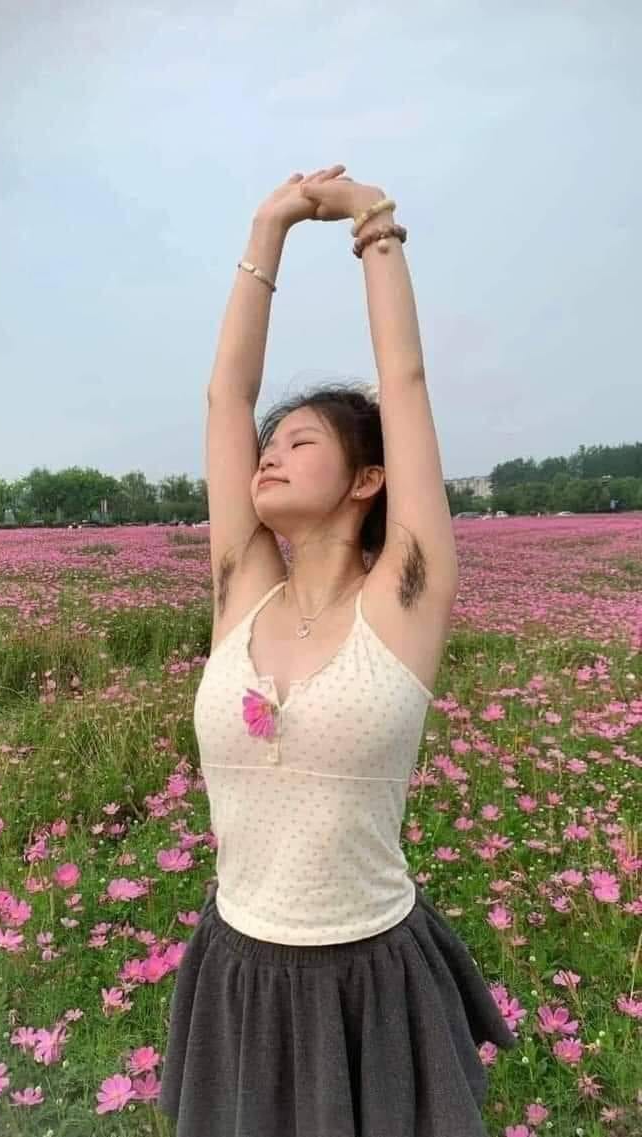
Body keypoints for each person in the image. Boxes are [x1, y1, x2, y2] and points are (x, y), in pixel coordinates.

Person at [157, 166, 518, 1137]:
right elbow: (225, 399)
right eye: (269, 443)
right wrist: (267, 226)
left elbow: (404, 384)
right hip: (236, 965)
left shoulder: (404, 597)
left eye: (300, 441)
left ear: (367, 480)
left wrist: (374, 224)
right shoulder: (242, 590)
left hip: (370, 976)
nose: (269, 452)